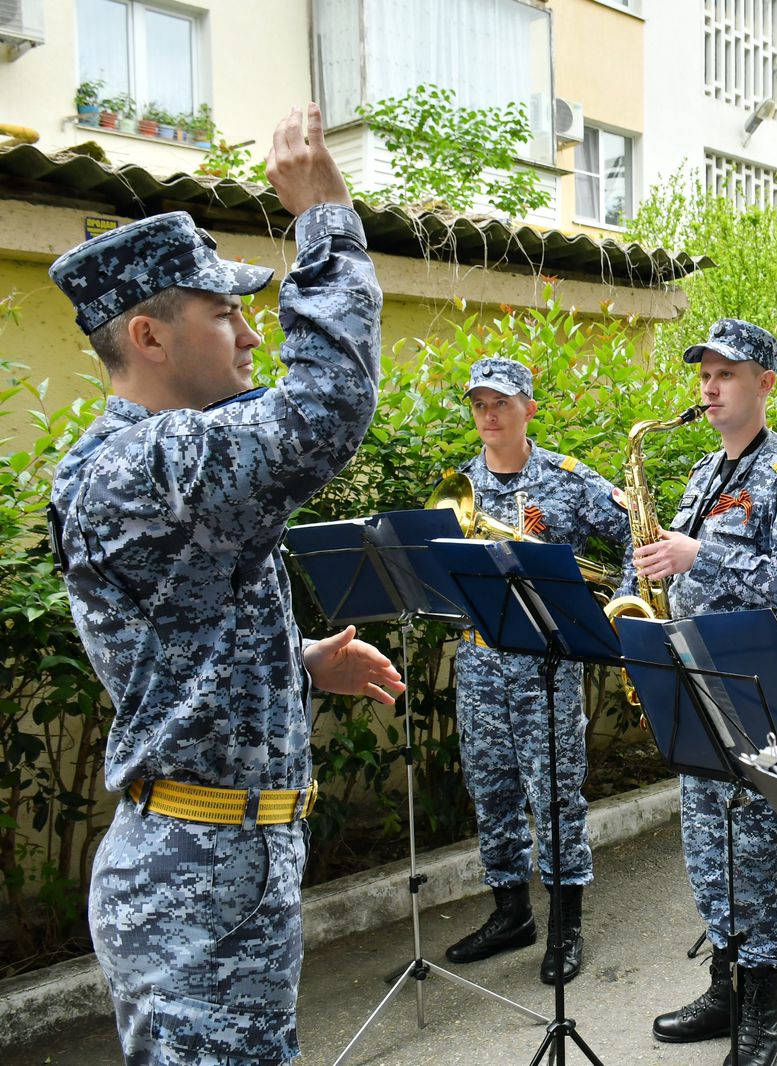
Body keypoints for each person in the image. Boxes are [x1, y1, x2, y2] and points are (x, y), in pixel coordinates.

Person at [46, 104, 404, 1064]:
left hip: (229, 865)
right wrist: (325, 216)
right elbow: (329, 403)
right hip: (189, 882)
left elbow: (173, 635)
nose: (251, 336)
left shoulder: (149, 466)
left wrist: (293, 661)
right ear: (149, 338)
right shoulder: (144, 465)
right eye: (225, 312)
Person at [637, 318, 777, 1066]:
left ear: (766, 384)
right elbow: (667, 560)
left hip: (758, 685)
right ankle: (727, 981)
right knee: (706, 846)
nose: (710, 386)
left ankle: (765, 1008)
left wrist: (701, 554)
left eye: (726, 373)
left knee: (753, 851)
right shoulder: (703, 473)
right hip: (696, 679)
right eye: (704, 373)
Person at [443, 356, 631, 984]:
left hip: (547, 665)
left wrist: (622, 604)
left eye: (500, 402)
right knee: (491, 789)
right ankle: (511, 913)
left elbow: (639, 530)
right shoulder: (457, 487)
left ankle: (565, 925)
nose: (488, 415)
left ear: (529, 408)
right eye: (478, 404)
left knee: (555, 795)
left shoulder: (568, 479)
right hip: (478, 661)